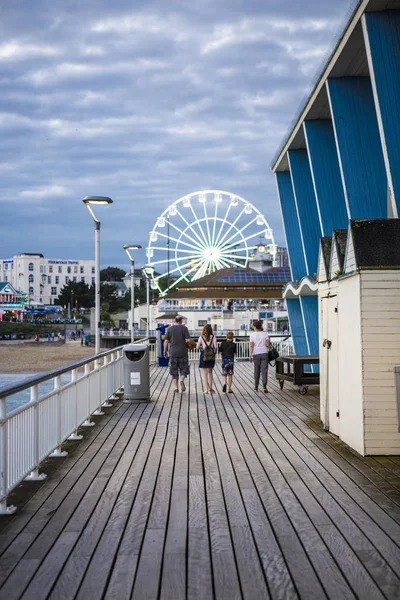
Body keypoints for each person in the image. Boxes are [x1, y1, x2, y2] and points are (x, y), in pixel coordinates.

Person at [164, 316, 192, 393]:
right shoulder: (184, 328)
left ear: (174, 321)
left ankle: (176, 388)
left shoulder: (169, 329)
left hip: (173, 352)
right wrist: (194, 345)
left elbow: (166, 341)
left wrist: (165, 351)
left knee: (174, 371)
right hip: (183, 352)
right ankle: (182, 379)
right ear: (181, 321)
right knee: (184, 369)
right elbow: (189, 340)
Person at [249, 320, 271, 393]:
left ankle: (256, 387)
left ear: (255, 327)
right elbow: (267, 345)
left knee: (256, 370)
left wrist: (250, 355)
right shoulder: (265, 334)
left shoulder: (252, 335)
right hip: (264, 353)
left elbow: (251, 345)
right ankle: (264, 387)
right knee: (264, 371)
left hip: (256, 354)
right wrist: (268, 339)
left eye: (253, 326)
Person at [197, 324, 218, 394]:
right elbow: (215, 347)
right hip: (211, 356)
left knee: (204, 373)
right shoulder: (213, 337)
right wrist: (214, 353)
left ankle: (206, 389)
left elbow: (197, 347)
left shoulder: (201, 337)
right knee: (210, 372)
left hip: (204, 356)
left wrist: (202, 348)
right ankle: (211, 388)